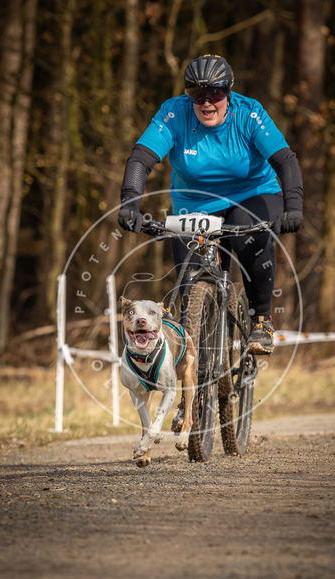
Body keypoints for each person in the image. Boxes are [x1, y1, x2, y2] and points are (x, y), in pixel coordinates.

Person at [118, 54, 303, 355]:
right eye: (197, 94)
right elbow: (141, 159)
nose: (206, 103)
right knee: (188, 282)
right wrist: (129, 202)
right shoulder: (175, 114)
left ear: (228, 92)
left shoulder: (248, 113)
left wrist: (293, 205)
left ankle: (261, 319)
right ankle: (197, 355)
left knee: (247, 237)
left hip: (252, 194)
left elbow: (286, 161)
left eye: (215, 94)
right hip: (195, 203)